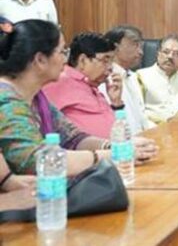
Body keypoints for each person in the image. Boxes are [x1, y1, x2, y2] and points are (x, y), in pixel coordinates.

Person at [0, 20, 157, 175]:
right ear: (40, 60)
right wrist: (112, 156)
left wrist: (114, 147)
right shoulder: (5, 99)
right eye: (62, 52)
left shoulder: (37, 96)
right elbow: (35, 160)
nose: (66, 60)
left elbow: (73, 138)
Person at [42, 32, 121, 138]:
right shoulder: (60, 81)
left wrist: (116, 103)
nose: (110, 67)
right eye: (105, 61)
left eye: (111, 62)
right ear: (83, 60)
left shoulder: (93, 86)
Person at [100, 25, 154, 134]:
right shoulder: (104, 79)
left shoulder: (134, 77)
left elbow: (141, 118)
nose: (141, 52)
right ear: (116, 47)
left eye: (141, 46)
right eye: (135, 44)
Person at [137, 34, 178, 124]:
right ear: (158, 53)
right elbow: (136, 113)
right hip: (151, 128)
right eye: (166, 52)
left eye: (176, 54)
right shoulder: (140, 77)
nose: (170, 56)